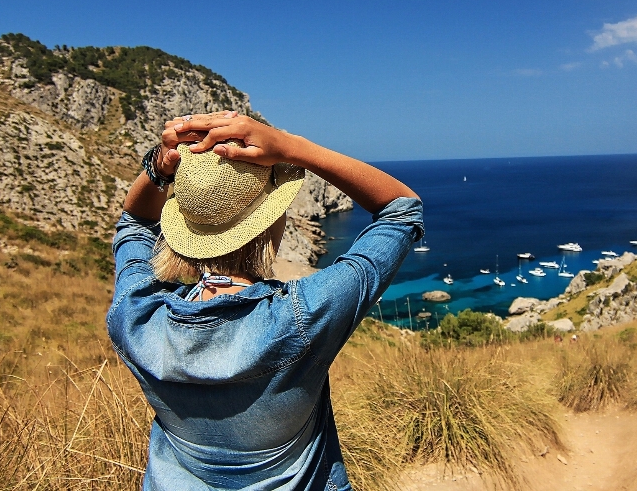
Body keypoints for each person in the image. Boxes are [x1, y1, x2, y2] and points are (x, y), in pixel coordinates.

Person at [108, 111, 422, 490]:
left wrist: (160, 166)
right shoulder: (302, 316)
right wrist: (291, 147)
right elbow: (402, 210)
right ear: (269, 222)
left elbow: (134, 223)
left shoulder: (137, 317)